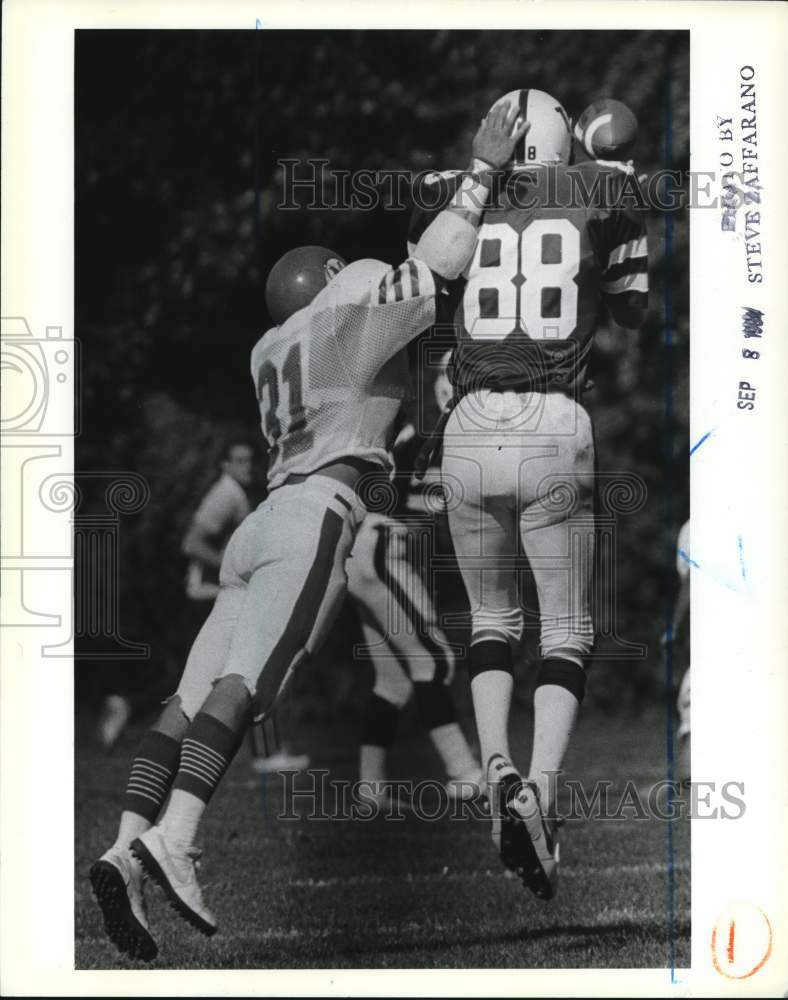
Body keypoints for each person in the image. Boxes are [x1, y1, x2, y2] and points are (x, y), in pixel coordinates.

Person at [89, 104, 529, 960]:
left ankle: (121, 849)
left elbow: (363, 393)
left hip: (262, 519)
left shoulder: (267, 351)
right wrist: (479, 175)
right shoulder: (349, 306)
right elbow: (437, 267)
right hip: (315, 517)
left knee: (185, 698)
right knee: (248, 689)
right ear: (330, 277)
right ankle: (175, 842)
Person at [409, 88, 649, 898]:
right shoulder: (601, 190)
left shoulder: (451, 188)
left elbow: (431, 277)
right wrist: (615, 178)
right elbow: (635, 311)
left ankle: (495, 775)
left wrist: (481, 175)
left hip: (468, 427)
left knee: (489, 621)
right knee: (567, 629)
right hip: (554, 419)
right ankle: (540, 791)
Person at [349, 355, 481, 806]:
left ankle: (371, 786)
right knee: (436, 661)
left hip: (371, 548)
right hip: (385, 545)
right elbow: (429, 498)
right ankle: (464, 773)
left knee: (394, 680)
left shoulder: (419, 422)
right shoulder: (434, 426)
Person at [95, 441, 254, 749]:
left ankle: (129, 705)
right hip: (206, 597)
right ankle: (132, 706)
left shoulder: (234, 493)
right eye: (239, 460)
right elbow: (191, 544)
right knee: (213, 674)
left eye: (249, 460)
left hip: (209, 596)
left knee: (196, 676)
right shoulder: (226, 495)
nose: (247, 466)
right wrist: (234, 567)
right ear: (225, 465)